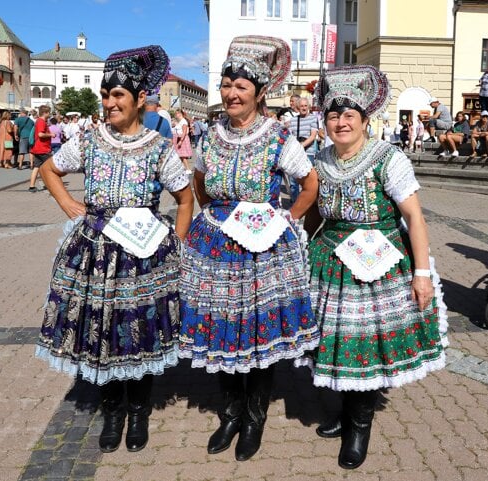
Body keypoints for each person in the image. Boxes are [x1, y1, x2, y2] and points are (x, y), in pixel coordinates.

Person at [36, 44, 193, 454]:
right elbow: (50, 168)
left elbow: (185, 197)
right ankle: (112, 410)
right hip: (97, 253)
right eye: (106, 95)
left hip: (143, 254)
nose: (109, 103)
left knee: (139, 330)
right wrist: (69, 203)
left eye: (118, 95)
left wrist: (176, 241)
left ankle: (138, 412)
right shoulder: (89, 141)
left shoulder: (158, 147)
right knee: (100, 327)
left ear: (140, 99)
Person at [179, 35, 319, 462]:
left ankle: (254, 416)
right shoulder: (211, 134)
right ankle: (230, 413)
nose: (231, 93)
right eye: (226, 84)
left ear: (260, 93)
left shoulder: (279, 138)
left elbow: (310, 185)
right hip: (217, 250)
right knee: (220, 326)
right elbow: (198, 183)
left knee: (258, 332)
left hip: (262, 251)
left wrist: (286, 219)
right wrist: (213, 220)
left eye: (241, 86)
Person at [303, 65, 447, 470]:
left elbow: (414, 218)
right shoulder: (321, 161)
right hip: (332, 261)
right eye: (333, 115)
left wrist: (421, 274)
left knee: (364, 344)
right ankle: (346, 413)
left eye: (349, 115)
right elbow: (315, 216)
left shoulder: (388, 158)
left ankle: (359, 427)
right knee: (337, 342)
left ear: (366, 120)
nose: (341, 122)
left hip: (378, 264)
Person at [28, 105, 54, 192]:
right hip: (43, 149)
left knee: (37, 167)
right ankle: (52, 185)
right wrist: (51, 134)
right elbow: (40, 134)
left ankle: (32, 186)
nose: (49, 114)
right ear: (45, 113)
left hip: (38, 148)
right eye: (48, 112)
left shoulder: (39, 121)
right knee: (51, 167)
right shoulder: (41, 121)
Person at [172, 109, 192, 174]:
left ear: (180, 114)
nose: (176, 115)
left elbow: (184, 132)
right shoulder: (180, 121)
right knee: (180, 155)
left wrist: (181, 141)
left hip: (181, 139)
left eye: (176, 114)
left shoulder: (184, 122)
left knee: (183, 155)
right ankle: (184, 168)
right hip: (178, 138)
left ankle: (188, 169)